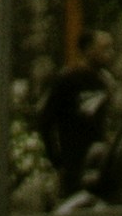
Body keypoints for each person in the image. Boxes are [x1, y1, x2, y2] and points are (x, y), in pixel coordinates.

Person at [34, 23, 116, 195]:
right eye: (104, 49)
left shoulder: (104, 82)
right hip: (74, 164)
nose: (110, 54)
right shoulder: (67, 81)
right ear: (88, 50)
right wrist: (57, 161)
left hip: (99, 164)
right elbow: (45, 120)